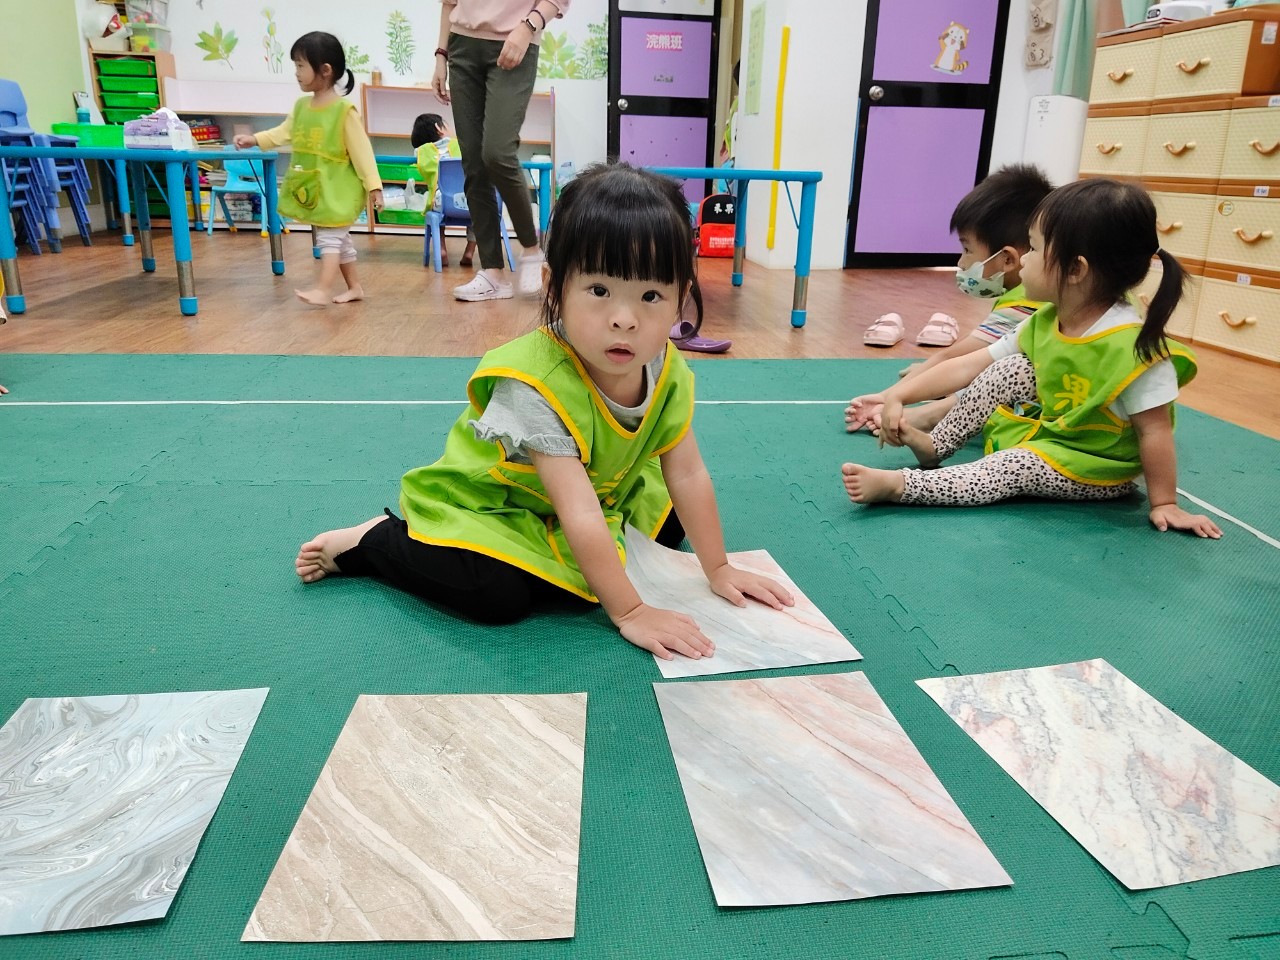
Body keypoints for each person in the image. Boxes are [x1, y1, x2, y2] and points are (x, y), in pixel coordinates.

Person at [294, 163, 795, 657]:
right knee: (496, 595)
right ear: (556, 287)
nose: (624, 320)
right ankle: (376, 542)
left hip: (591, 496)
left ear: (679, 298)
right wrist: (631, 612)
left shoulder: (666, 367)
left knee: (667, 524)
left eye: (650, 296)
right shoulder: (538, 384)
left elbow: (686, 474)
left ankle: (579, 566)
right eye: (599, 291)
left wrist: (719, 568)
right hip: (496, 504)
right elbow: (576, 511)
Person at [842, 178, 1222, 539]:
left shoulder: (1134, 349)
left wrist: (1165, 502)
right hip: (1060, 432)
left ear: (1075, 270)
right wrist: (899, 395)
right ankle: (935, 446)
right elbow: (969, 366)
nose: (1024, 259)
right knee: (1008, 368)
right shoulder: (1044, 321)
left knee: (1014, 466)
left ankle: (903, 487)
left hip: (1093, 467)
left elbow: (1154, 430)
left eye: (1036, 249)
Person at [847, 164, 1053, 435]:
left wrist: (890, 396)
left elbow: (955, 359)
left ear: (1007, 259)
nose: (961, 261)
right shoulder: (1028, 298)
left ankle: (928, 417)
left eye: (967, 249)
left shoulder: (1026, 303)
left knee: (994, 374)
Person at [431, 0, 569, 302]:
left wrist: (529, 26)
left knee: (497, 152)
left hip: (515, 41)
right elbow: (449, 4)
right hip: (462, 46)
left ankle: (532, 250)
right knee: (474, 165)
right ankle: (492, 272)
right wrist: (441, 54)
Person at [234, 32, 383, 306]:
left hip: (338, 190)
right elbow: (283, 133)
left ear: (325, 70)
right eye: (296, 66)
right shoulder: (302, 106)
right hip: (315, 187)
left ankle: (323, 288)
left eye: (301, 66)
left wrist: (374, 186)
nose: (296, 72)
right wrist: (256, 139)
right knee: (342, 241)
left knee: (329, 239)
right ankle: (355, 288)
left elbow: (363, 152)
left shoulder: (343, 111)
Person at [410, 112, 477, 268]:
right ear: (438, 128)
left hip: (442, 202)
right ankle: (469, 251)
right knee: (477, 212)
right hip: (467, 201)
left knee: (436, 210)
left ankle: (442, 250)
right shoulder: (462, 144)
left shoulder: (421, 152)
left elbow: (418, 157)